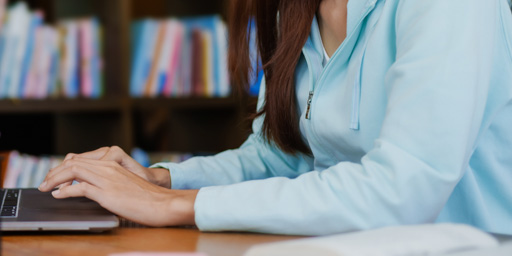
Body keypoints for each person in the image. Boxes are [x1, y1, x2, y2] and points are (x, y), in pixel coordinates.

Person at [38, 0, 512, 236]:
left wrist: (178, 205)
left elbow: (403, 193)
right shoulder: (297, 11)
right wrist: (161, 180)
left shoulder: (452, 7)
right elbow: (276, 156)